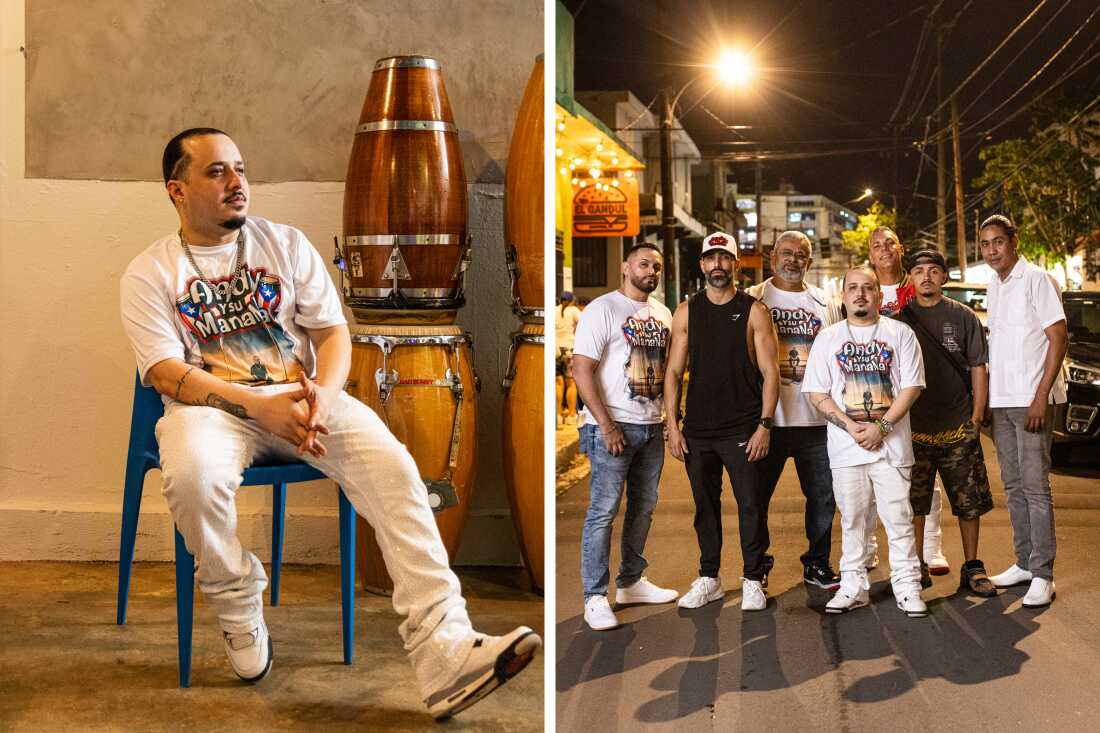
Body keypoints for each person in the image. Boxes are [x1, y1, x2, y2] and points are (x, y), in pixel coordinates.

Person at [119, 129, 539, 720]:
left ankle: (444, 647)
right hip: (210, 410)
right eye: (217, 172)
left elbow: (333, 333)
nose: (237, 183)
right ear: (177, 190)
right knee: (190, 477)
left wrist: (323, 397)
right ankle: (239, 605)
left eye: (240, 168)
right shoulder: (149, 271)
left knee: (396, 469)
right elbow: (165, 373)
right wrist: (256, 406)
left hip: (306, 398)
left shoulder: (284, 244)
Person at [664, 232, 780, 611]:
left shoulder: (754, 311)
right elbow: (673, 371)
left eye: (725, 259)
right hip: (698, 430)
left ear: (735, 265)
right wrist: (673, 425)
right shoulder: (686, 311)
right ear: (702, 265)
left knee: (750, 505)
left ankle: (752, 578)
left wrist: (765, 424)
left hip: (743, 427)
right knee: (705, 507)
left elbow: (771, 371)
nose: (718, 265)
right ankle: (709, 577)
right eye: (711, 259)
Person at [802, 268, 928, 617]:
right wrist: (849, 425)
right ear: (843, 296)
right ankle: (853, 585)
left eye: (868, 288)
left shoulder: (900, 334)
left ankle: (907, 586)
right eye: (853, 288)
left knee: (899, 519)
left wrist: (882, 428)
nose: (860, 294)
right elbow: (816, 392)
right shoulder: (827, 339)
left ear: (879, 295)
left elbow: (912, 387)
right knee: (853, 519)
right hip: (846, 449)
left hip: (892, 448)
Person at [572, 243, 678, 631]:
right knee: (603, 511)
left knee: (643, 507)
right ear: (625, 267)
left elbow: (667, 371)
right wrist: (606, 424)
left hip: (649, 426)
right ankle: (594, 596)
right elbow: (581, 369)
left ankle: (631, 581)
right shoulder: (603, 309)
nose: (651, 271)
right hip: (612, 426)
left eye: (657, 266)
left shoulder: (662, 314)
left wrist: (669, 419)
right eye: (644, 263)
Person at [895, 250, 997, 596]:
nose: (926, 277)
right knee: (915, 501)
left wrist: (977, 416)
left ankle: (972, 566)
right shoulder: (899, 320)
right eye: (919, 271)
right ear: (910, 277)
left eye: (934, 271)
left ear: (943, 276)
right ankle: (916, 565)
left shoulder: (964, 316)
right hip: (914, 428)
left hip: (957, 426)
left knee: (968, 502)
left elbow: (978, 367)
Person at [747, 231, 843, 590]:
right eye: (785, 253)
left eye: (800, 254)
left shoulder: (825, 303)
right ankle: (756, 567)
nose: (792, 260)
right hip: (767, 421)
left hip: (816, 421)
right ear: (773, 257)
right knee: (755, 499)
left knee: (822, 497)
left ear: (810, 261)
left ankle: (817, 563)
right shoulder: (753, 298)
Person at [980, 214, 1067, 607]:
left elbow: (1058, 337)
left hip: (1032, 401)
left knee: (1035, 487)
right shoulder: (994, 286)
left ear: (1013, 241)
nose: (992, 250)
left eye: (998, 241)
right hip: (1002, 400)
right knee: (1013, 486)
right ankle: (1024, 562)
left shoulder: (1036, 279)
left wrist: (1040, 395)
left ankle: (1043, 574)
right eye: (985, 244)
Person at [866, 226, 950, 575]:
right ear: (870, 254)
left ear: (901, 248)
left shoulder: (914, 285)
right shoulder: (863, 287)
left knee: (924, 476)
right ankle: (868, 551)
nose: (884, 250)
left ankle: (931, 548)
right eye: (876, 246)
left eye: (890, 243)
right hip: (873, 394)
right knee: (869, 477)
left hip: (918, 393)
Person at [555, 291, 582, 425]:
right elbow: (586, 323)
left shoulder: (553, 310)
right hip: (569, 350)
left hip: (555, 350)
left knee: (558, 384)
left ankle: (558, 416)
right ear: (571, 300)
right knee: (571, 384)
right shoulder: (573, 310)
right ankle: (571, 415)